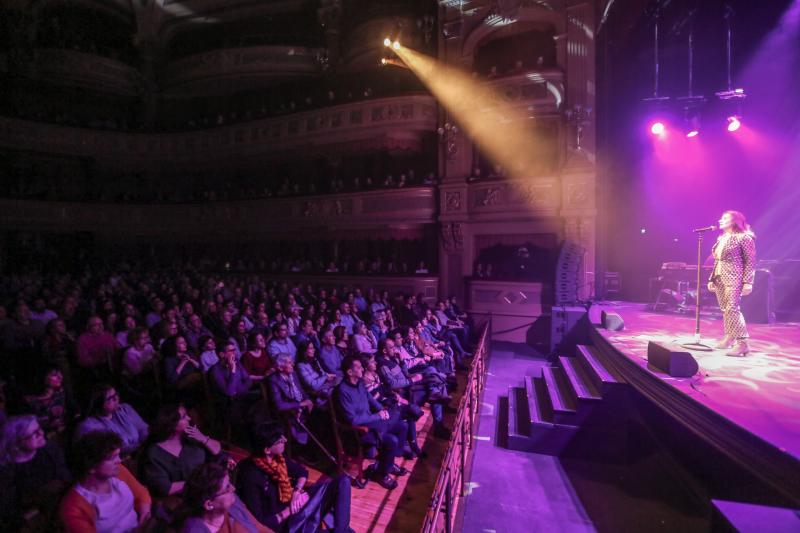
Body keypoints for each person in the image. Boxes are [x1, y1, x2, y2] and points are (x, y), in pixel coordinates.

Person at [237, 421, 353, 532]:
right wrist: (291, 510)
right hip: (289, 525)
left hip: (299, 507)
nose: (285, 440)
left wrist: (297, 492)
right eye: (280, 440)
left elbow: (302, 472)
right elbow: (260, 523)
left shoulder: (278, 459)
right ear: (267, 450)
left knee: (343, 481)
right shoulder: (250, 476)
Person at [334, 356, 408, 490]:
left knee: (403, 426)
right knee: (391, 440)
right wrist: (377, 416)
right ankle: (382, 474)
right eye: (358, 367)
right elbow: (353, 420)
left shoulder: (360, 384)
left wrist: (382, 410)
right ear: (349, 372)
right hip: (358, 432)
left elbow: (371, 401)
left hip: (372, 424)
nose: (362, 368)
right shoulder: (342, 391)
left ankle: (388, 464)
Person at [60, 431, 152, 533]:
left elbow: (141, 494)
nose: (119, 461)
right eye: (112, 458)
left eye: (118, 455)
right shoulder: (74, 506)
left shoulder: (118, 471)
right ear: (91, 466)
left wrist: (144, 514)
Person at [0, 415, 72, 529]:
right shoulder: (7, 471)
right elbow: (10, 508)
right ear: (17, 441)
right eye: (35, 433)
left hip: (63, 505)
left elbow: (66, 477)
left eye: (40, 429)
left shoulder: (49, 449)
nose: (42, 434)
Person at [141, 404, 222, 498]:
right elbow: (166, 488)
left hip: (211, 489)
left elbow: (216, 450)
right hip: (188, 497)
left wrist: (203, 438)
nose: (189, 418)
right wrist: (201, 483)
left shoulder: (190, 437)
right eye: (183, 417)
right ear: (172, 423)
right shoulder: (154, 453)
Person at [707, 210, 757, 357]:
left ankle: (742, 343)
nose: (720, 220)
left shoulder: (744, 237)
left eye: (724, 218)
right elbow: (717, 260)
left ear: (735, 221)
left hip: (735, 276)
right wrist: (712, 278)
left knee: (732, 308)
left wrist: (748, 282)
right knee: (725, 308)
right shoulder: (722, 238)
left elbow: (750, 261)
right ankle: (729, 337)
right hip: (719, 276)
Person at [179, 462, 271, 533]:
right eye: (227, 487)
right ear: (209, 504)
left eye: (230, 483)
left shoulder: (233, 503)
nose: (233, 489)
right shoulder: (195, 530)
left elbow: (260, 528)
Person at [75, 384, 149, 456]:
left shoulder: (125, 409)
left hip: (139, 453)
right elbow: (115, 449)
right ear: (98, 403)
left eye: (116, 394)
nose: (116, 398)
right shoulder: (89, 426)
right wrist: (140, 446)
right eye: (110, 398)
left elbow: (144, 429)